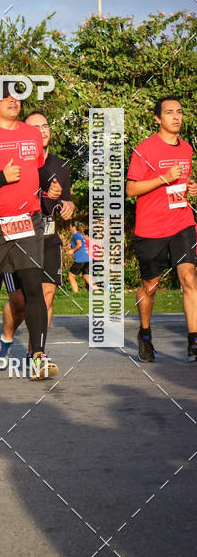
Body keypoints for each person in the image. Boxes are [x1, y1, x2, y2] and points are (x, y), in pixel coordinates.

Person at [0, 84, 59, 380]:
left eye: (17, 96)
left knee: (34, 288)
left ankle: (38, 355)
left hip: (27, 222)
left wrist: (50, 189)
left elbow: (37, 170)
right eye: (6, 97)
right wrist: (1, 178)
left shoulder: (31, 133)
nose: (13, 101)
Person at [126, 96, 197, 362]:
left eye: (179, 112)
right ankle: (144, 333)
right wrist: (163, 179)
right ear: (158, 118)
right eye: (169, 113)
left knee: (189, 277)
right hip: (151, 228)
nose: (176, 117)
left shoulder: (187, 148)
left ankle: (194, 341)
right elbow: (131, 189)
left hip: (182, 222)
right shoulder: (145, 150)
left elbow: (183, 184)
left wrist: (191, 188)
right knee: (150, 287)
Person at [0, 110, 75, 356]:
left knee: (47, 295)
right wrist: (45, 196)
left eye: (45, 126)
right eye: (35, 128)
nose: (42, 131)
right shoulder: (14, 162)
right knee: (21, 302)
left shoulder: (60, 166)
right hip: (17, 239)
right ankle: (6, 337)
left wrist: (67, 206)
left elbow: (67, 201)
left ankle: (37, 354)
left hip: (47, 238)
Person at [68, 222, 98, 293]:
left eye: (70, 227)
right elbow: (82, 244)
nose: (69, 228)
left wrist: (72, 250)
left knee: (71, 276)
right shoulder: (80, 235)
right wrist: (71, 245)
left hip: (80, 260)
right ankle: (98, 292)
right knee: (87, 277)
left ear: (74, 227)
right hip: (87, 259)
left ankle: (76, 294)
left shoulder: (75, 235)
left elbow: (80, 244)